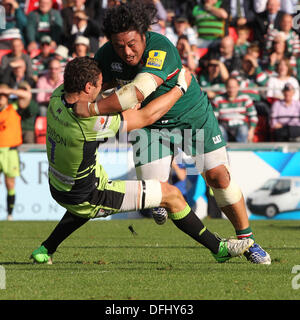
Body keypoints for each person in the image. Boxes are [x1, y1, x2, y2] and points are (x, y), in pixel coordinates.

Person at [74, 2, 271, 264]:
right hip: (151, 129)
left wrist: (92, 109)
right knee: (156, 192)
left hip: (191, 118)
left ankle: (248, 241)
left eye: (132, 43)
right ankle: (168, 207)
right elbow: (91, 86)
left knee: (218, 178)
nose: (127, 52)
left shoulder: (161, 47)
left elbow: (138, 91)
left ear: (144, 34)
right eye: (119, 46)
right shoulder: (107, 55)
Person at [30, 56, 254, 264]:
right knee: (172, 196)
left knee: (81, 206)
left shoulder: (58, 96)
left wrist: (121, 103)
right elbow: (147, 117)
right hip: (88, 194)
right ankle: (219, 250)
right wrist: (180, 88)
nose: (102, 87)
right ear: (88, 87)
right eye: (99, 84)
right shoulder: (89, 124)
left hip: (59, 187)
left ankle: (45, 249)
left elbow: (105, 105)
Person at [0, 83, 25, 220]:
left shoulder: (12, 108)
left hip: (10, 152)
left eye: (2, 96)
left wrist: (8, 90)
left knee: (10, 183)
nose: (0, 98)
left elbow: (26, 96)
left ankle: (10, 214)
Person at [212, 77, 258, 143]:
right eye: (229, 87)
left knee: (243, 130)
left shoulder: (245, 98)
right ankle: (223, 150)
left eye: (233, 87)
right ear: (226, 87)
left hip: (241, 124)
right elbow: (213, 117)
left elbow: (253, 116)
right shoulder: (218, 99)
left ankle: (241, 151)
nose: (231, 90)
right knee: (218, 130)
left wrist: (251, 130)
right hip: (224, 125)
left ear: (238, 87)